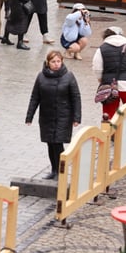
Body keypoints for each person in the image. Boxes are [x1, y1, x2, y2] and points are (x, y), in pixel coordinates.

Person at [25, 50, 82, 179]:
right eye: (53, 62)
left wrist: (76, 117)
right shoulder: (41, 76)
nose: (56, 64)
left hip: (63, 116)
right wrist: (30, 116)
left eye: (58, 61)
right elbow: (35, 97)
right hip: (47, 116)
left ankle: (61, 171)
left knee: (58, 144)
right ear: (48, 62)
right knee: (50, 143)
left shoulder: (69, 76)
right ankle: (54, 170)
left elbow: (76, 97)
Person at [92, 27, 126, 121]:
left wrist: (101, 79)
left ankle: (111, 134)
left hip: (109, 86)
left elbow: (97, 68)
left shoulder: (101, 49)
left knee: (109, 116)